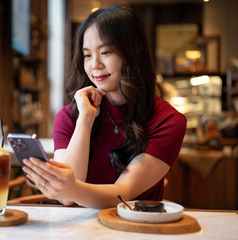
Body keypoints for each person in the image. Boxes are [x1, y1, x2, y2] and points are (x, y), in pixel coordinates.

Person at [22, 5, 187, 209]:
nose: (95, 65)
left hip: (137, 231)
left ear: (133, 53)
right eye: (87, 55)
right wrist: (85, 119)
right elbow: (67, 199)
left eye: (106, 52)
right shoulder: (70, 116)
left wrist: (68, 187)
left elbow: (122, 193)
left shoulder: (168, 121)